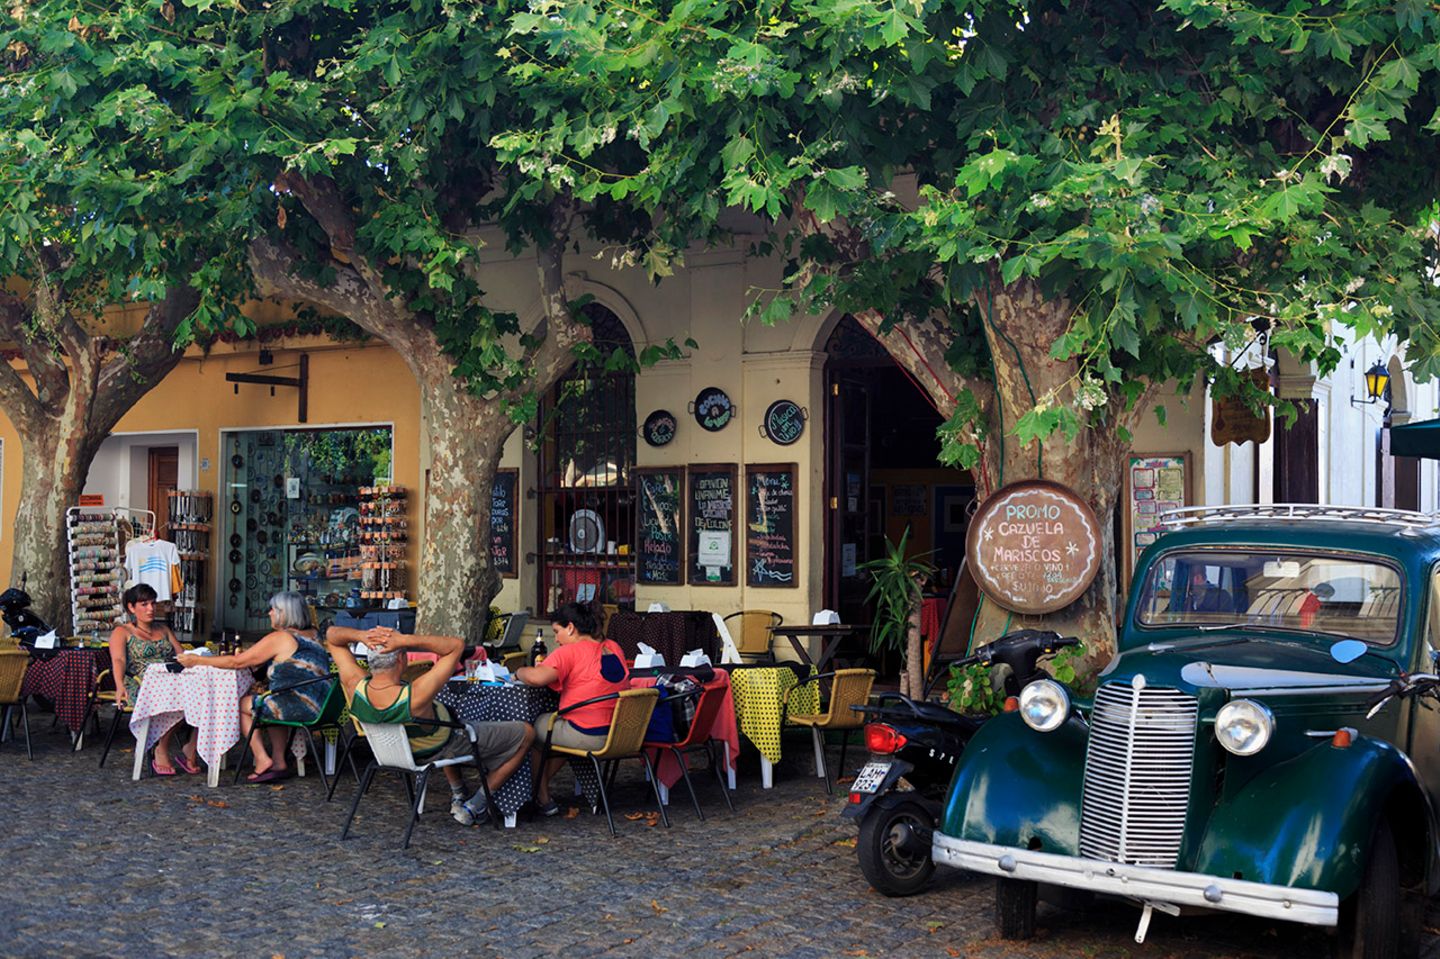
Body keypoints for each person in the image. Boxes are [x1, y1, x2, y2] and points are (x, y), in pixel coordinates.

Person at [326, 624, 534, 827]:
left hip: (392, 753)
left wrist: (363, 636)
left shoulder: (355, 684)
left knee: (447, 719)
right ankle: (476, 804)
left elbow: (332, 635)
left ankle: (459, 792)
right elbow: (456, 646)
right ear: (401, 659)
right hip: (439, 748)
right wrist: (405, 640)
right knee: (526, 733)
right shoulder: (415, 695)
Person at [176, 591, 332, 783]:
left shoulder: (281, 638)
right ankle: (278, 761)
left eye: (273, 609)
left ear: (284, 613)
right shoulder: (314, 634)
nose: (269, 613)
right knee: (269, 702)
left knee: (240, 704)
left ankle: (261, 758)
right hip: (323, 705)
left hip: (299, 705)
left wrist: (197, 660)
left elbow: (237, 662)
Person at [515, 602, 630, 817]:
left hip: (590, 735)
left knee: (535, 728)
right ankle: (540, 787)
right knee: (558, 729)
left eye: (557, 632)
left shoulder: (570, 651)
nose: (556, 639)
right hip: (620, 733)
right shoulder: (613, 646)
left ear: (570, 628)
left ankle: (540, 795)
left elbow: (537, 678)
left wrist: (519, 671)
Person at [108, 583, 200, 776]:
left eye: (152, 603)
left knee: (203, 695)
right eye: (144, 604)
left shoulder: (164, 629)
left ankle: (191, 746)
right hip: (141, 684)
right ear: (131, 608)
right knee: (181, 699)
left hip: (172, 681)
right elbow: (118, 660)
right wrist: (118, 685)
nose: (150, 609)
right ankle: (161, 748)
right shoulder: (122, 632)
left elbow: (181, 655)